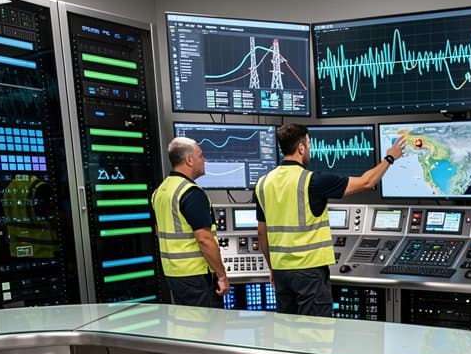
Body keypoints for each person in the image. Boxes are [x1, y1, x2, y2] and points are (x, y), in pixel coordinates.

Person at [256, 124, 405, 316]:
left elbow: (262, 233)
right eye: (309, 144)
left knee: (287, 331)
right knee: (316, 334)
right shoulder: (313, 181)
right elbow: (367, 182)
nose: (310, 149)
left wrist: (272, 268)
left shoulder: (263, 183)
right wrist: (389, 158)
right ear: (301, 148)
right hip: (309, 273)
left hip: (281, 272)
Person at [152, 137, 229, 307]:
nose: (204, 160)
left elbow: (158, 230)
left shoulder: (161, 191)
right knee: (208, 328)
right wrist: (221, 275)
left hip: (174, 274)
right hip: (197, 276)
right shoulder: (191, 193)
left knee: (188, 326)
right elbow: (204, 239)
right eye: (201, 156)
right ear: (189, 160)